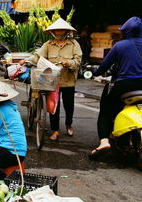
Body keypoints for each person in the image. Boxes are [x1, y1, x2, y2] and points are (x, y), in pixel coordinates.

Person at [90, 16, 142, 158]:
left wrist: (95, 72)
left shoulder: (120, 45)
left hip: (124, 85)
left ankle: (104, 142)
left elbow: (104, 66)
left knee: (106, 111)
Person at [28, 18, 82, 141]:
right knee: (53, 106)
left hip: (68, 80)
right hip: (52, 80)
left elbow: (78, 61)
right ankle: (55, 130)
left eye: (61, 30)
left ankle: (69, 124)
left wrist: (68, 63)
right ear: (53, 32)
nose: (58, 32)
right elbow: (38, 56)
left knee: (69, 106)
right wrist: (26, 60)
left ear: (66, 31)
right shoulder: (48, 44)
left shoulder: (74, 44)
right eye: (56, 30)